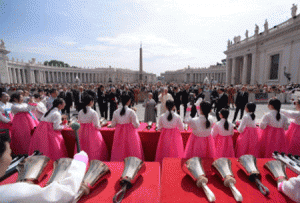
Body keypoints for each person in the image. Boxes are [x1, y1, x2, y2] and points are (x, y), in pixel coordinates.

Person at [0, 132, 89, 202]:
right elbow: (65, 193)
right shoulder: (10, 193)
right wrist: (79, 163)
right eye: (9, 153)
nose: (11, 157)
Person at [110, 94, 144, 161]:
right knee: (131, 149)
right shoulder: (131, 112)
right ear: (129, 101)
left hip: (119, 134)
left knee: (119, 150)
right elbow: (136, 125)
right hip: (130, 134)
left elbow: (112, 125)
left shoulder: (116, 112)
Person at [77, 95, 108, 161]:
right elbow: (97, 126)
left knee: (83, 147)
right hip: (93, 133)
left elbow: (79, 121)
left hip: (82, 132)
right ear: (91, 102)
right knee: (93, 148)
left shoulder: (80, 112)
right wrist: (101, 125)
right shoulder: (93, 112)